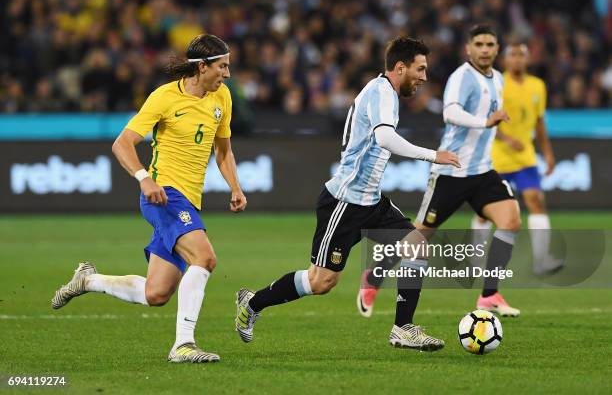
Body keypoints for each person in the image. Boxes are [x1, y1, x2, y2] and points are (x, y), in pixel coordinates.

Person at [234, 37, 460, 351]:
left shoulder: (387, 93)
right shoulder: (381, 91)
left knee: (417, 246)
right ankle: (253, 302)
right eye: (420, 69)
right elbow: (385, 138)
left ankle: (403, 328)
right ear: (399, 67)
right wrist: (433, 155)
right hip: (345, 203)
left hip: (371, 202)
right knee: (321, 282)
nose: (424, 77)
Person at [51, 34, 246, 363]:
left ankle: (89, 279)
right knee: (205, 258)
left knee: (156, 293)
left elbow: (223, 149)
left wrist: (236, 187)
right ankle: (183, 345)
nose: (227, 74)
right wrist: (144, 178)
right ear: (202, 67)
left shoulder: (221, 97)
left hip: (188, 200)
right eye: (222, 67)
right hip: (164, 195)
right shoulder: (165, 97)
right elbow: (122, 143)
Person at [357, 25, 521, 318]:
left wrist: (498, 132)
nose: (485, 49)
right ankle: (375, 274)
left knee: (510, 218)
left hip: (482, 172)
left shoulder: (498, 78)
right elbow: (451, 113)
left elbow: (490, 124)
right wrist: (485, 122)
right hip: (452, 172)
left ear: (497, 49)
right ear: (468, 49)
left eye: (490, 44)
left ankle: (489, 294)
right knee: (419, 237)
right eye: (479, 44)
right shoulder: (462, 77)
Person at [471, 42, 562, 275]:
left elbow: (539, 122)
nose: (518, 59)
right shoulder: (497, 83)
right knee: (485, 213)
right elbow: (485, 118)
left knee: (536, 200)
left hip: (525, 159)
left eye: (522, 55)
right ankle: (475, 262)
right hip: (496, 159)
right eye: (513, 55)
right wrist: (507, 138)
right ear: (505, 60)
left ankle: (542, 261)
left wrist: (548, 152)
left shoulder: (537, 86)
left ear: (528, 60)